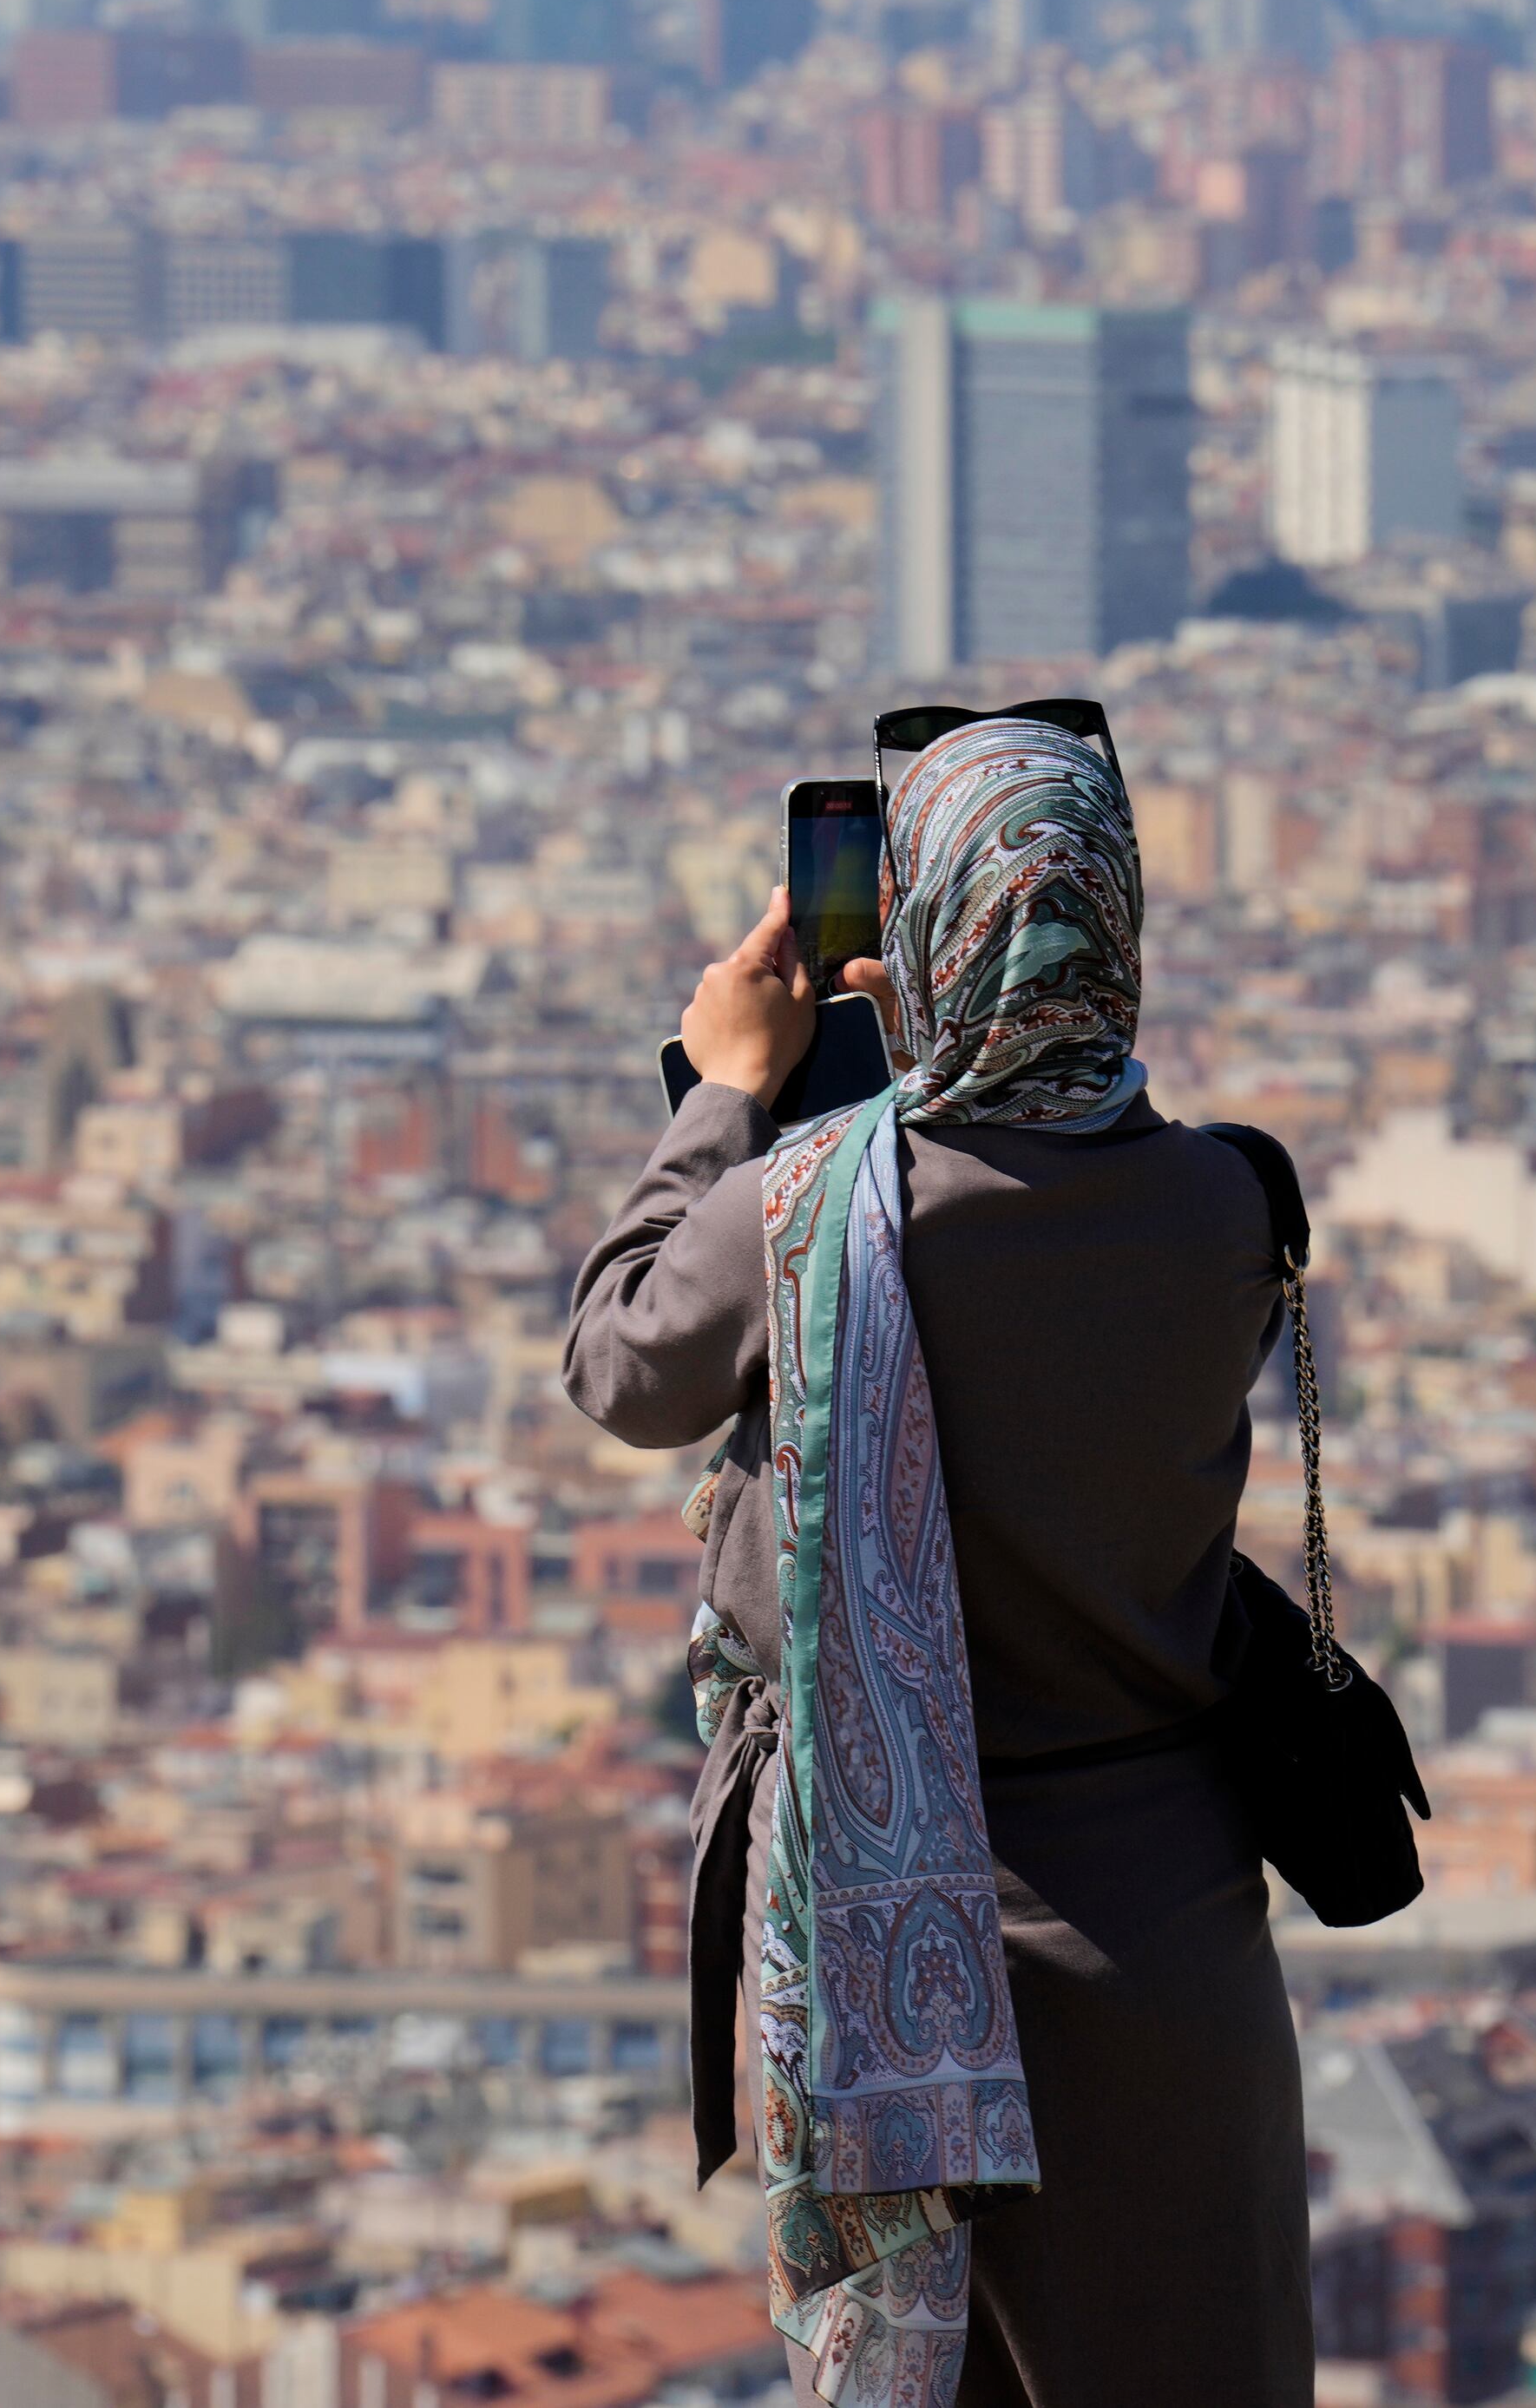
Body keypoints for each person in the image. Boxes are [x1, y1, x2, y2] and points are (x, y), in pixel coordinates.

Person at [563, 717, 1310, 2407]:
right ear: (1113, 927)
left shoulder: (808, 1208)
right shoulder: (1225, 1205)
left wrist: (728, 1096)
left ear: (915, 937)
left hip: (880, 1920)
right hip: (1164, 1921)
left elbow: (622, 1363)